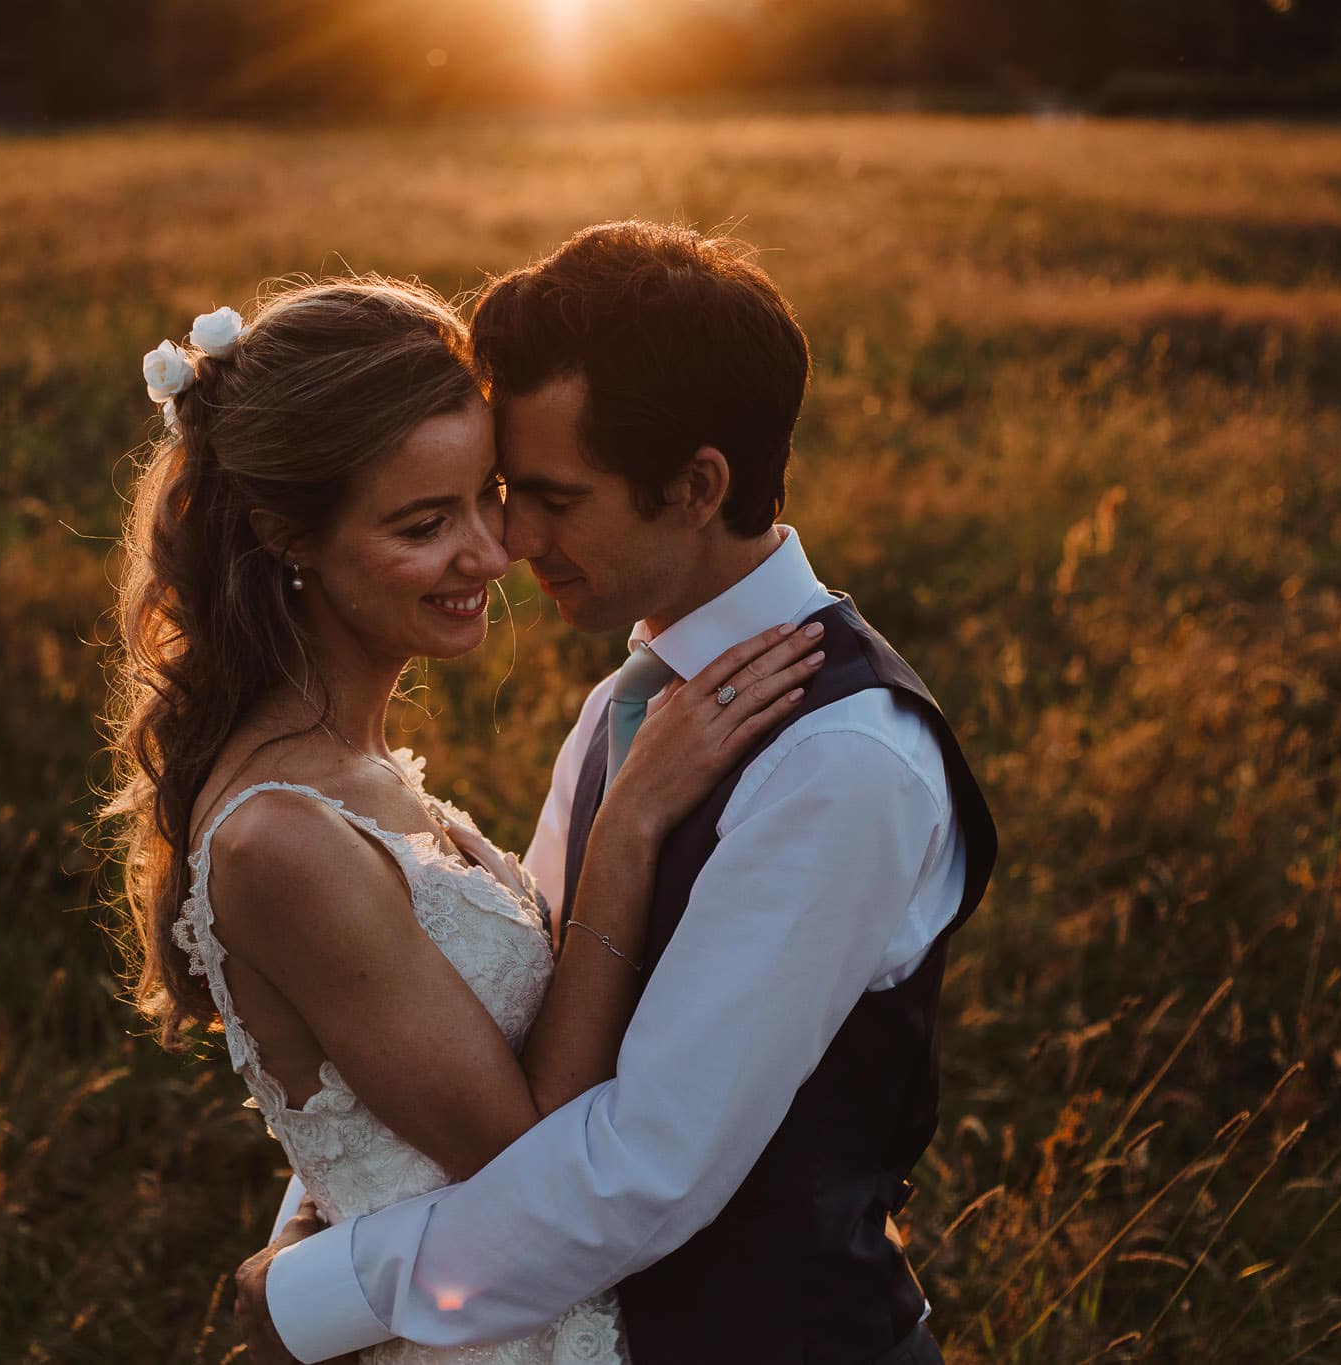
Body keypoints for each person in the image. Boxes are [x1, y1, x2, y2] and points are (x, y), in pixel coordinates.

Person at [234, 224, 998, 1365]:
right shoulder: (630, 708)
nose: (506, 542)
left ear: (695, 486)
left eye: (550, 498)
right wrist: (322, 1208)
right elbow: (526, 1037)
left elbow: (647, 1166)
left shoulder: (841, 761)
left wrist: (321, 1293)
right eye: (500, 492)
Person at [104, 276, 826, 1364]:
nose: (493, 556)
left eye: (484, 496)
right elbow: (533, 1159)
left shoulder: (359, 772)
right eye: (421, 524)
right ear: (286, 539)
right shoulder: (281, 838)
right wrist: (625, 829)